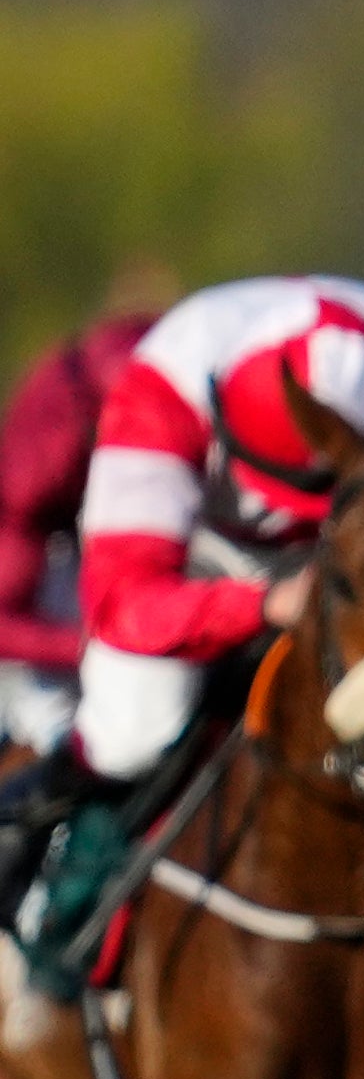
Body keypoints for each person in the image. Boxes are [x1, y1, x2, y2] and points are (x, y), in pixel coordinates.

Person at [0, 275, 364, 968]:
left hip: (363, 552)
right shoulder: (161, 391)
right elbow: (122, 606)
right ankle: (53, 913)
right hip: (199, 548)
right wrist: (263, 604)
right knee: (131, 733)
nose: (286, 520)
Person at [0, 275, 164, 761]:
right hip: (43, 646)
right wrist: (93, 646)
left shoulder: (149, 361)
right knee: (62, 732)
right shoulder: (38, 471)